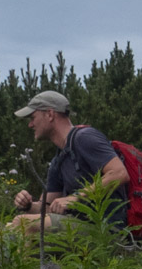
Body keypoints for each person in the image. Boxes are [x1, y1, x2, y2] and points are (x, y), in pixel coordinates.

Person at [8, 90, 129, 231]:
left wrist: (75, 198)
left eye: (32, 117)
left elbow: (119, 173)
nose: (30, 124)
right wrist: (28, 205)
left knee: (23, 223)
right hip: (78, 225)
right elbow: (47, 208)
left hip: (105, 229)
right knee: (5, 229)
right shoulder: (58, 159)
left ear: (50, 114)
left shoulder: (85, 138)